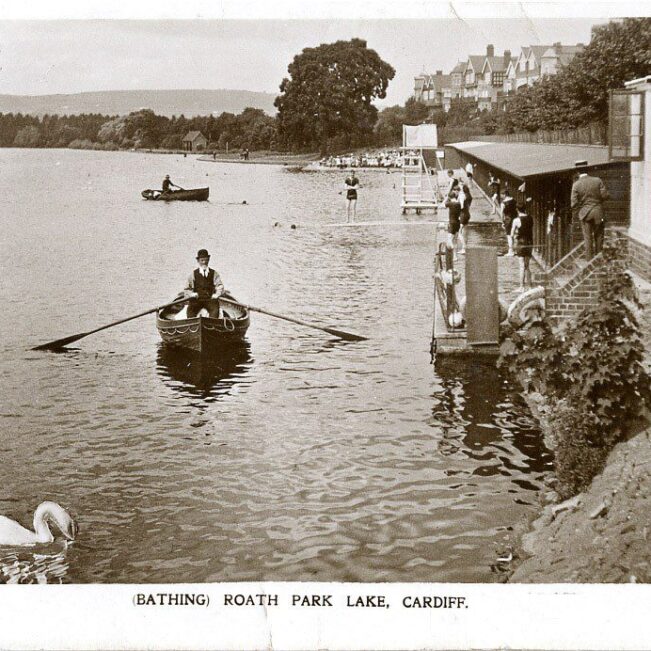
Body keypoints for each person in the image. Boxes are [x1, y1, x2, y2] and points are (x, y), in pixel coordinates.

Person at [570, 160, 609, 260]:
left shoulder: (576, 184)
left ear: (577, 171)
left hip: (585, 214)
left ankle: (589, 261)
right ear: (587, 169)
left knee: (588, 238)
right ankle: (599, 260)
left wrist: (581, 208)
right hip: (598, 212)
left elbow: (573, 203)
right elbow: (605, 196)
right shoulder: (597, 180)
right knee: (599, 236)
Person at [183, 249, 225, 319]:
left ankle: (211, 326)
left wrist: (217, 294)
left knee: (215, 311)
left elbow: (219, 286)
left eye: (206, 260)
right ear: (198, 261)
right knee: (190, 311)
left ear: (208, 260)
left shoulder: (214, 273)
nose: (204, 262)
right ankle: (192, 326)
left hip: (210, 299)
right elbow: (187, 288)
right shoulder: (193, 274)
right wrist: (191, 294)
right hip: (197, 300)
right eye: (202, 260)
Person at [511, 201, 534, 292]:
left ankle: (521, 287)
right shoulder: (530, 218)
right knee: (527, 266)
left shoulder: (516, 220)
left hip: (521, 243)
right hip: (529, 242)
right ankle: (530, 286)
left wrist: (513, 243)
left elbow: (512, 234)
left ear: (517, 210)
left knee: (521, 265)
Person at [445, 188, 462, 257]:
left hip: (452, 223)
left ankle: (450, 251)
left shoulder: (450, 204)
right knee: (455, 240)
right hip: (457, 223)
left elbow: (442, 205)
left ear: (450, 197)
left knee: (449, 240)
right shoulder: (458, 204)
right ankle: (455, 256)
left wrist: (446, 198)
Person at [501, 189, 517, 256]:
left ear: (504, 194)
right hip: (514, 218)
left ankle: (510, 251)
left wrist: (502, 222)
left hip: (507, 219)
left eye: (501, 195)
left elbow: (502, 213)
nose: (501, 196)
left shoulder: (503, 203)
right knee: (514, 235)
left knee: (509, 236)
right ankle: (515, 250)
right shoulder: (513, 200)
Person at [458, 182, 472, 255]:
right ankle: (465, 247)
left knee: (459, 232)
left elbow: (461, 206)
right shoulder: (468, 196)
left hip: (463, 215)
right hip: (467, 214)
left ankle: (464, 248)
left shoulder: (462, 196)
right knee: (465, 232)